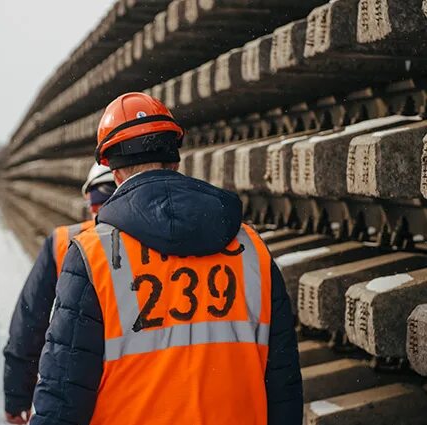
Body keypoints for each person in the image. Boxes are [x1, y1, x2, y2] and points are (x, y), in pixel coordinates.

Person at [30, 92, 303, 425]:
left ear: (114, 173)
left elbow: (62, 394)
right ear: (175, 161)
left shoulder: (92, 257)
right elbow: (284, 384)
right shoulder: (252, 250)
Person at [4, 164, 116, 424]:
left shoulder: (65, 241)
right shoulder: (174, 245)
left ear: (92, 202)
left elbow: (28, 324)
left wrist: (17, 395)